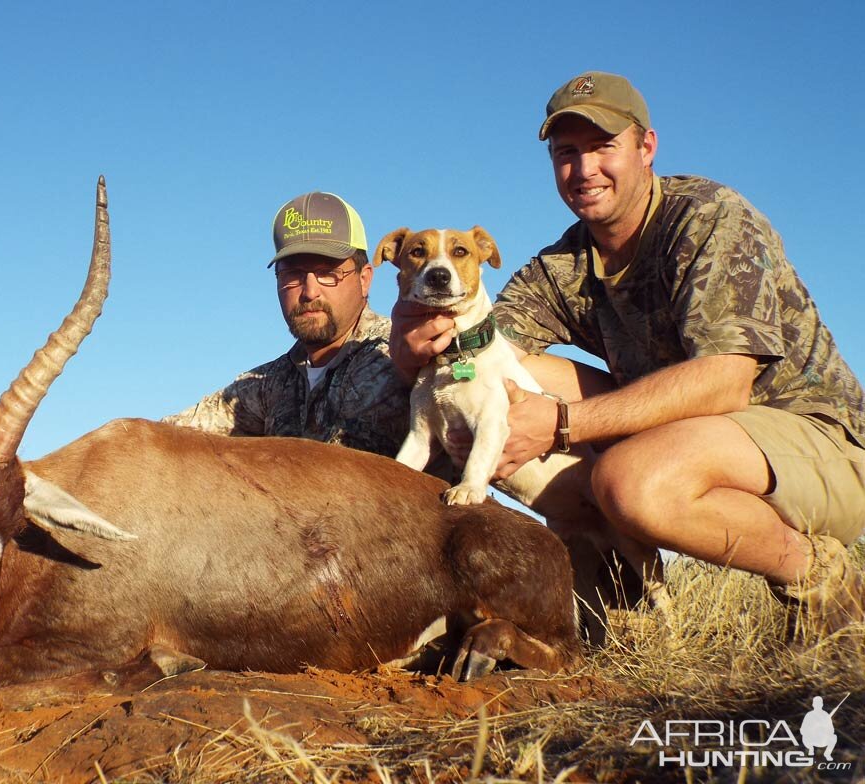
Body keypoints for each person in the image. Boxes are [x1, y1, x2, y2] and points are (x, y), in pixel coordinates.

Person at [391, 71, 865, 636]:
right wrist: (410, 336)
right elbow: (479, 347)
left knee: (631, 480)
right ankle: (617, 596)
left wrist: (561, 423)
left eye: (603, 146)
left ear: (646, 148)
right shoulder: (561, 265)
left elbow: (727, 382)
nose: (584, 169)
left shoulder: (710, 217)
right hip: (691, 434)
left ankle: (822, 577)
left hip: (815, 442)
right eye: (567, 152)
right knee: (496, 383)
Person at [165, 191, 413, 459]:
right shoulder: (271, 383)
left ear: (364, 279)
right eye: (292, 275)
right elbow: (170, 436)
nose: (309, 292)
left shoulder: (400, 355)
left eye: (328, 274)